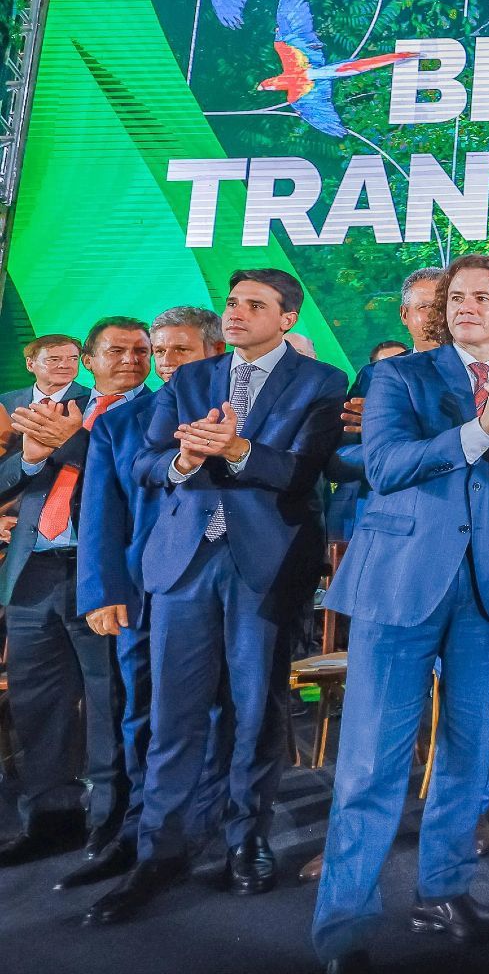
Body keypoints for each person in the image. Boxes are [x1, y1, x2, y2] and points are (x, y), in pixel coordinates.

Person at [310, 254, 489, 972]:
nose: (467, 307)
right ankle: (345, 922)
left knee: (467, 755)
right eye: (457, 297)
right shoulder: (401, 376)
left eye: (484, 297)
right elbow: (385, 465)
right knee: (371, 759)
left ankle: (446, 891)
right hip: (400, 582)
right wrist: (481, 427)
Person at [91, 272, 347, 926]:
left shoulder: (320, 383)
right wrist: (180, 463)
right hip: (183, 564)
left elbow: (299, 473)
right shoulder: (190, 381)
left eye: (253, 305)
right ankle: (160, 851)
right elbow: (146, 465)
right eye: (232, 303)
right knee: (172, 712)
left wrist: (234, 448)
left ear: (285, 318)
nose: (236, 313)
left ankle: (246, 838)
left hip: (264, 566)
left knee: (256, 711)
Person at [65, 308, 229, 893]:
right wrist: (102, 591)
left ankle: (204, 834)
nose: (163, 363)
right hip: (143, 594)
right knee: (141, 715)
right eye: (160, 352)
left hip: (225, 593)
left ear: (214, 352)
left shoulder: (244, 416)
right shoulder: (121, 423)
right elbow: (102, 517)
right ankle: (137, 837)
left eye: (178, 351)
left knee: (221, 715)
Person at [0, 317, 153, 871]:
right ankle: (50, 819)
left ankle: (110, 825)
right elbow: (7, 483)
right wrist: (35, 455)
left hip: (102, 577)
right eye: (118, 350)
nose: (133, 359)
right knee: (37, 706)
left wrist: (71, 444)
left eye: (143, 351)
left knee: (110, 703)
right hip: (33, 571)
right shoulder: (64, 411)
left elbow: (137, 480)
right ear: (90, 360)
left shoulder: (154, 410)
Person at [325, 268, 444, 544]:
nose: (436, 316)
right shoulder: (375, 375)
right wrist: (386, 447)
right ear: (404, 315)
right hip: (386, 520)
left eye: (444, 305)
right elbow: (338, 459)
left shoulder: (482, 375)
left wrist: (398, 421)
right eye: (425, 307)